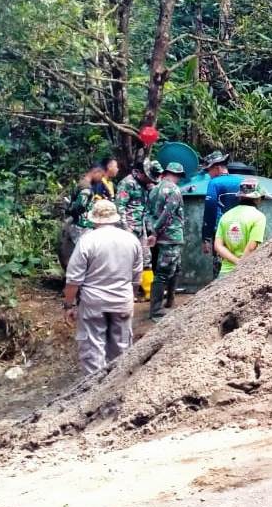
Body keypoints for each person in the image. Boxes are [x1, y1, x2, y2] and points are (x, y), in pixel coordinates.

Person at [64, 200, 143, 375]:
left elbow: (73, 280)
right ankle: (117, 391)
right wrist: (131, 296)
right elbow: (137, 276)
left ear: (95, 219)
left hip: (93, 304)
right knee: (122, 351)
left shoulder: (87, 240)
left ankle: (93, 395)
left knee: (93, 351)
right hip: (122, 300)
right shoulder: (131, 239)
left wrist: (69, 305)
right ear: (115, 218)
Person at [147, 161, 186, 321]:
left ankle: (170, 302)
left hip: (161, 237)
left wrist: (152, 231)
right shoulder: (174, 190)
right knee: (163, 273)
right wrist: (156, 232)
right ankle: (156, 310)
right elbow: (167, 214)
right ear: (177, 175)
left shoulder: (154, 189)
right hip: (170, 237)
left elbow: (148, 213)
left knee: (175, 268)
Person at [117, 160, 157, 301]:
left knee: (146, 259)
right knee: (128, 261)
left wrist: (150, 230)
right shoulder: (127, 183)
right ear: (140, 173)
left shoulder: (145, 185)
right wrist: (125, 228)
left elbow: (146, 209)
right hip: (128, 228)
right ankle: (128, 294)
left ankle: (148, 291)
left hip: (141, 228)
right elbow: (120, 207)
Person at [200, 151, 243, 279]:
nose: (209, 174)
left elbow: (210, 209)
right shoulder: (241, 181)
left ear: (217, 168)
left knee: (221, 263)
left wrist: (206, 237)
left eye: (209, 170)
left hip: (222, 231)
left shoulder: (215, 183)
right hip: (242, 229)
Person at [214, 178, 267, 276]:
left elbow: (218, 246)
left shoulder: (226, 216)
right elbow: (251, 247)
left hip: (225, 272)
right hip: (247, 272)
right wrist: (242, 265)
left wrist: (236, 261)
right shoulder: (259, 217)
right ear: (258, 198)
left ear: (240, 197)